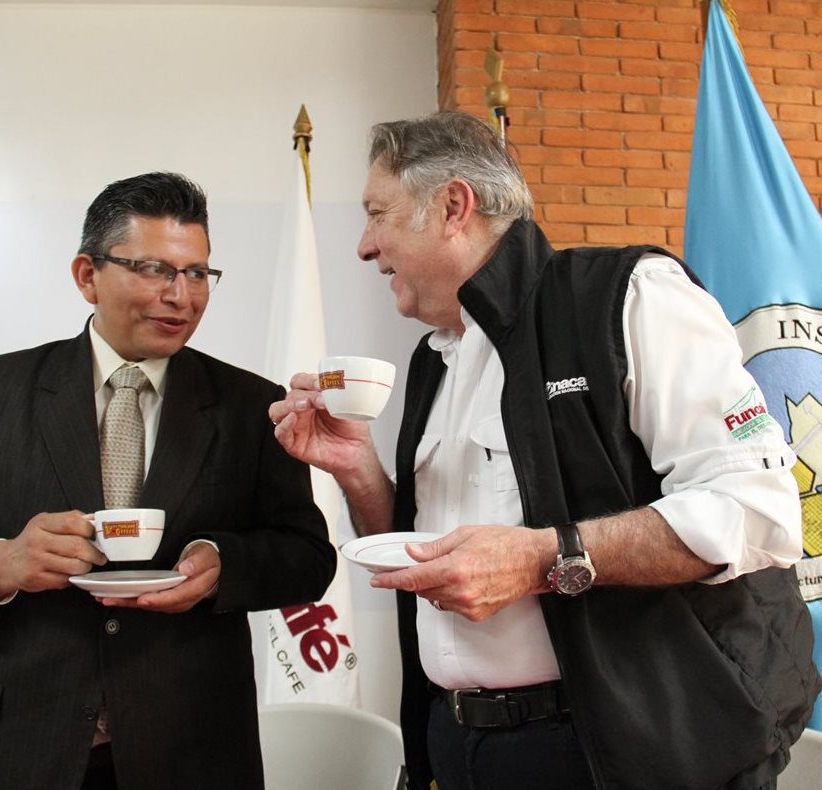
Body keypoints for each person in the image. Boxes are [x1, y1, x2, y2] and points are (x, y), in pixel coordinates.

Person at [269, 111, 820, 790]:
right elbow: (420, 554)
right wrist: (357, 470)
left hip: (627, 755)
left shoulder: (626, 296)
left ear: (452, 206)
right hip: (459, 746)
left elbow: (757, 511)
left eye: (377, 213)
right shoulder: (431, 360)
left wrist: (542, 559)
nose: (363, 245)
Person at [0, 171, 336, 790]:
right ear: (86, 276)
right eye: (155, 270)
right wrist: (0, 562)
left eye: (198, 273)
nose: (182, 296)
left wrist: (222, 564)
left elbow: (308, 557)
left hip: (192, 748)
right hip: (16, 746)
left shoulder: (252, 404)